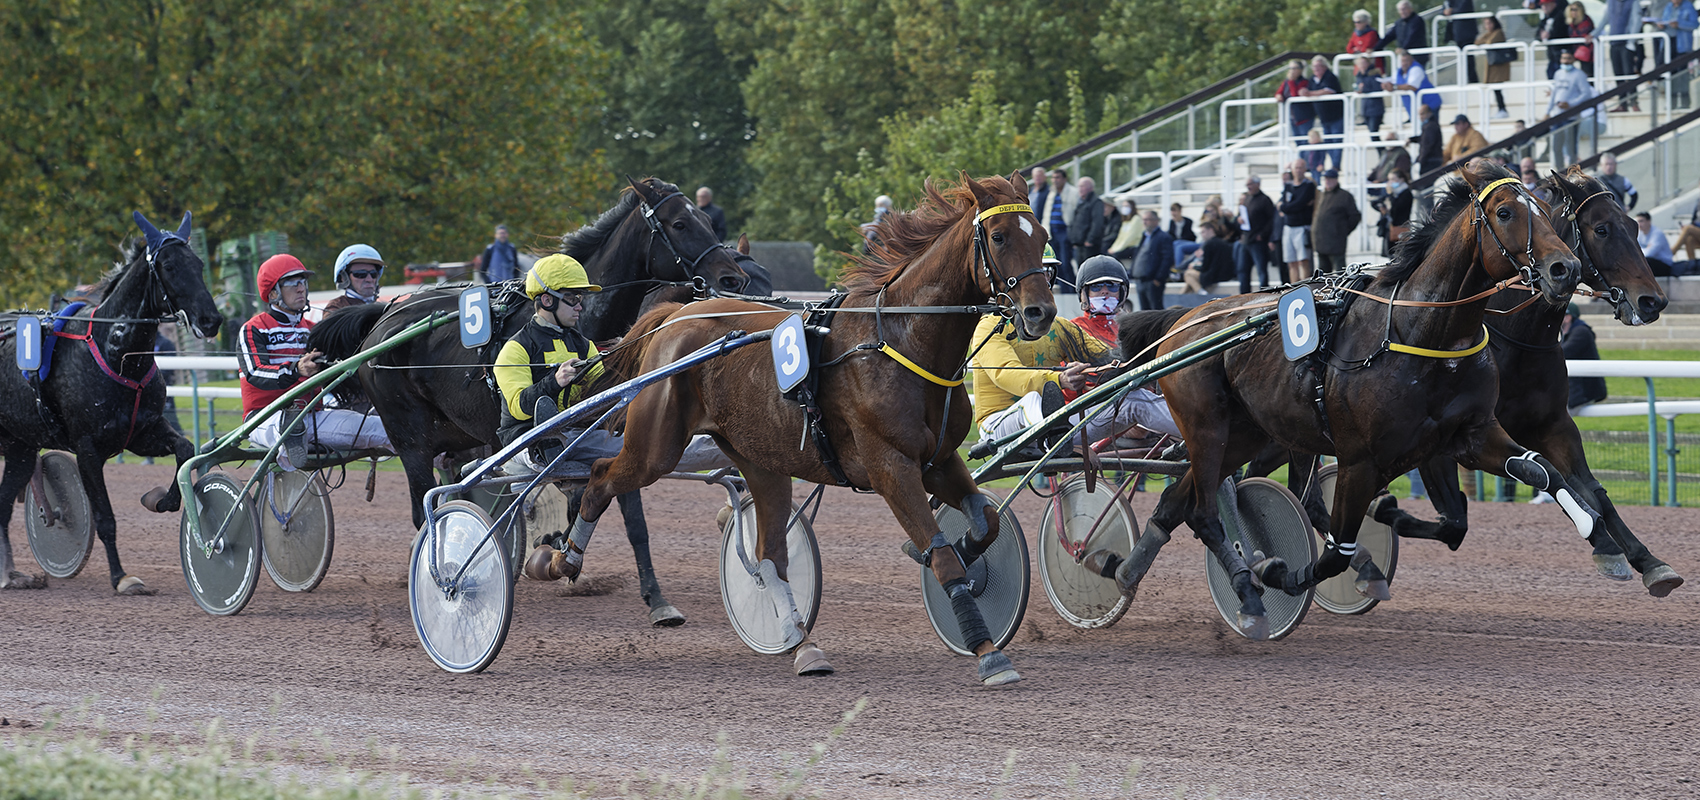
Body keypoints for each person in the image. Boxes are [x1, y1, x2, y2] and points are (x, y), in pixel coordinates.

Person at [241, 254, 391, 463]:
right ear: (273, 292)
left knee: (387, 428)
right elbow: (254, 373)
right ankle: (291, 435)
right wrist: (296, 370)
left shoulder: (314, 331)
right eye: (292, 283)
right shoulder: (254, 328)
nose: (301, 288)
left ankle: (445, 467)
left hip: (314, 416)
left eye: (303, 282)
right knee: (291, 425)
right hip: (264, 418)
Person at [970, 307, 1179, 451]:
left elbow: (1109, 360)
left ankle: (1199, 430)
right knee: (1033, 400)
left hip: (1056, 427)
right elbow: (1006, 374)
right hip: (998, 428)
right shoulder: (989, 327)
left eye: (1046, 274)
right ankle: (1059, 444)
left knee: (1134, 400)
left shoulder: (1060, 328)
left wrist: (1148, 362)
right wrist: (1059, 379)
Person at [494, 254, 618, 480]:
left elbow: (605, 393)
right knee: (549, 444)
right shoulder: (516, 348)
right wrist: (555, 381)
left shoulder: (585, 345)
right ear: (547, 300)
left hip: (575, 434)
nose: (580, 306)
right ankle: (552, 449)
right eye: (572, 298)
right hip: (524, 439)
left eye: (580, 297)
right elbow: (519, 408)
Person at [1544, 50, 1598, 167]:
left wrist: (1571, 104)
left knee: (1570, 148)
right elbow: (1555, 93)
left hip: (1571, 116)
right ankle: (1559, 172)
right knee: (1556, 147)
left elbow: (1586, 94)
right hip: (1557, 114)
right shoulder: (1558, 73)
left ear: (1573, 60)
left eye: (1568, 58)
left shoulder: (1579, 74)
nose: (1566, 61)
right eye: (1563, 58)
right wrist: (1547, 111)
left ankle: (1572, 173)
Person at [1033, 168, 1079, 286]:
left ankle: (1070, 289)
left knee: (1065, 262)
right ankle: (1061, 288)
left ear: (1064, 179)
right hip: (1052, 232)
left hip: (1065, 231)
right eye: (1053, 178)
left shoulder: (1073, 192)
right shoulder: (1052, 193)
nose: (1055, 180)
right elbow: (1047, 213)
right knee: (1054, 263)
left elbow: (1076, 213)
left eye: (1058, 177)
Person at [1311, 169, 1361, 275]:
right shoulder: (1322, 195)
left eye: (1330, 179)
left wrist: (1342, 230)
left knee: (1340, 272)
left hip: (1336, 242)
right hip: (1321, 241)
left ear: (1336, 180)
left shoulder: (1344, 196)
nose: (1327, 181)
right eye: (1326, 179)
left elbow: (1355, 216)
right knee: (1323, 274)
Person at [1561, 302, 1608, 413]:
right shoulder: (1570, 332)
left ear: (1568, 318)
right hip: (1575, 391)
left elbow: (1563, 353)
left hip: (1582, 393)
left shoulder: (1581, 332)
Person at [1071, 256, 1130, 344]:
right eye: (1096, 286)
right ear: (1084, 293)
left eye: (1112, 286)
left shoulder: (1133, 328)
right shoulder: (1072, 330)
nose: (1105, 291)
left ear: (1122, 292)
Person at [1303, 55, 1346, 170]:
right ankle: (1333, 164)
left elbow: (1328, 91)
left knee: (1336, 141)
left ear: (1324, 67)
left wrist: (1310, 93)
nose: (1316, 69)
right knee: (1328, 142)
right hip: (1324, 117)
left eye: (1318, 66)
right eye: (1314, 67)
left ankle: (1336, 165)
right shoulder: (1312, 79)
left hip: (1336, 116)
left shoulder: (1330, 77)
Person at [1236, 176, 1277, 292]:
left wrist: (1263, 234)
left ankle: (1264, 294)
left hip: (1258, 240)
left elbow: (1271, 219)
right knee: (1243, 269)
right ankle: (1244, 295)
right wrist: (1239, 220)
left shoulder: (1265, 200)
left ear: (1257, 184)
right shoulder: (1248, 199)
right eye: (1247, 185)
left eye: (1251, 184)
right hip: (1246, 239)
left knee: (1261, 270)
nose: (1248, 187)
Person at [1654, 0, 1697, 109]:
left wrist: (1679, 24)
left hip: (1682, 45)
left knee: (1682, 74)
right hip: (1669, 44)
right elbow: (1665, 20)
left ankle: (1684, 102)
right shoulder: (1669, 6)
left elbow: (1695, 24)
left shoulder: (1688, 6)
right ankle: (1671, 103)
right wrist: (1662, 25)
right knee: (1670, 74)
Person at [321, 244, 385, 316]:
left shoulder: (385, 308)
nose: (369, 279)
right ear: (344, 277)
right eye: (361, 274)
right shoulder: (336, 308)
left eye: (373, 274)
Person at [1279, 160, 1316, 282]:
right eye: (1296, 168)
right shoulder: (1288, 186)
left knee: (1303, 260)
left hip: (1302, 227)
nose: (1298, 170)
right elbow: (1288, 204)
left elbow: (1298, 204)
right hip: (1288, 227)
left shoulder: (1308, 186)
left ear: (1305, 169)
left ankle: (1306, 286)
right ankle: (1294, 287)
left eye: (1301, 168)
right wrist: (1287, 207)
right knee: (1291, 261)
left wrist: (1285, 207)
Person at [1382, 48, 1441, 124]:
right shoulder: (1398, 72)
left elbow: (1412, 87)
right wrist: (1386, 85)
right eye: (1402, 61)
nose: (1404, 63)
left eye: (1407, 60)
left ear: (1412, 60)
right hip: (1416, 108)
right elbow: (1392, 82)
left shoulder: (1416, 69)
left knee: (1430, 129)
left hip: (1429, 104)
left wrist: (1394, 87)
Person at [1130, 210, 1174, 310]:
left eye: (1148, 220)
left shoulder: (1163, 237)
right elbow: (1137, 255)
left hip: (1152, 281)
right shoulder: (1144, 236)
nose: (1145, 222)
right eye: (1144, 220)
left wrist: (1158, 278)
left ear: (1156, 221)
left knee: (1155, 310)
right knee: (1144, 312)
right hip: (1141, 280)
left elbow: (1167, 259)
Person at [1603, 0, 1644, 107]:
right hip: (1614, 43)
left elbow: (1637, 20)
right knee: (1618, 74)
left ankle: (1634, 101)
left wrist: (1631, 41)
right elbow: (1606, 18)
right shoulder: (1611, 2)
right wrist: (1593, 34)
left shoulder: (1633, 2)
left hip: (1626, 43)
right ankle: (1622, 103)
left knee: (1629, 73)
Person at [1181, 221, 1237, 295]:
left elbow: (1205, 266)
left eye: (1203, 232)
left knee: (1188, 274)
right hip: (1225, 274)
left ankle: (1200, 292)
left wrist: (1195, 266)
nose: (1202, 235)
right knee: (1189, 283)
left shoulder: (1209, 244)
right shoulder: (1223, 243)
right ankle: (1181, 295)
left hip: (1213, 276)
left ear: (1211, 230)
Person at [1477, 16, 1513, 119]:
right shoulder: (1489, 34)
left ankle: (1502, 109)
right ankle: (1500, 109)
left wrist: (1484, 40)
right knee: (1495, 90)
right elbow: (1478, 42)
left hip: (1499, 67)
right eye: (1486, 24)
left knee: (1497, 89)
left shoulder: (1498, 33)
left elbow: (1489, 42)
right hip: (1493, 66)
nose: (1487, 26)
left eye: (1489, 23)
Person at [1374, 167, 1414, 256]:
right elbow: (1376, 202)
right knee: (1390, 254)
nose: (1390, 182)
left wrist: (1390, 195)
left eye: (1393, 179)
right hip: (1389, 227)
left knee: (1399, 254)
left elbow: (1397, 208)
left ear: (1401, 179)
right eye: (1389, 179)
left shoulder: (1406, 193)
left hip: (1400, 227)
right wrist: (1382, 208)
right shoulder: (1392, 193)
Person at [1070, 177, 1108, 267]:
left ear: (1090, 188)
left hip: (1089, 245)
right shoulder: (1081, 202)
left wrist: (1090, 239)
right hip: (1080, 244)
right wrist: (1075, 240)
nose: (1080, 189)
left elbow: (1097, 222)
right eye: (1079, 186)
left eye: (1082, 186)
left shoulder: (1096, 202)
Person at [1443, 0, 1480, 83]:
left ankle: (1472, 81)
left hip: (1466, 33)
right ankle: (1464, 80)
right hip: (1456, 34)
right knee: (1462, 59)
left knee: (1469, 59)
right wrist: (1445, 12)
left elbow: (1464, 8)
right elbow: (1444, 9)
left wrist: (1451, 11)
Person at [1106, 197, 1145, 273]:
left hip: (1133, 247)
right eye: (1123, 206)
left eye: (1127, 206)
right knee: (1108, 254)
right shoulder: (1125, 221)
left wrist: (1117, 249)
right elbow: (1120, 237)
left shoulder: (1136, 219)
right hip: (1124, 247)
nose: (1124, 208)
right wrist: (1113, 248)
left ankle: (1122, 272)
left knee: (1115, 255)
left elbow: (1129, 237)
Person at [1277, 60, 1314, 139]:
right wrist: (1279, 96)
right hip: (1292, 117)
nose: (1292, 71)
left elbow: (1294, 95)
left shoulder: (1305, 82)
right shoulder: (1286, 82)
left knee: (1305, 141)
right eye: (1290, 68)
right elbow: (1279, 92)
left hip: (1304, 117)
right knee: (1297, 141)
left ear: (1300, 70)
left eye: (1294, 68)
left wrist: (1291, 81)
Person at [1536, 0, 1572, 80]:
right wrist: (1541, 36)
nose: (1544, 7)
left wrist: (1549, 35)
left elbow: (1560, 31)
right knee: (1551, 73)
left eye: (1546, 5)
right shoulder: (1546, 19)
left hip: (1561, 54)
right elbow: (1537, 34)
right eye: (1543, 5)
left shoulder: (1561, 17)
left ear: (1554, 4)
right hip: (1553, 55)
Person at [1386, 0, 1430, 65]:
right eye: (1400, 10)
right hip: (1405, 58)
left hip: (1418, 57)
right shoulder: (1399, 23)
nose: (1402, 12)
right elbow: (1389, 36)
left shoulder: (1417, 20)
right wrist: (1375, 48)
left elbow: (1412, 36)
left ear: (1410, 9)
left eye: (1404, 9)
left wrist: (1403, 48)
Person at [1354, 55, 1386, 133]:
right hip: (1365, 108)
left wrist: (1364, 89)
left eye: (1363, 63)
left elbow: (1377, 88)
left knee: (1373, 132)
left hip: (1375, 108)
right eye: (1360, 63)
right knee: (1372, 133)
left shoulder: (1375, 74)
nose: (1362, 65)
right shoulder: (1359, 76)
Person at [1411, 102, 1444, 175]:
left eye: (1423, 114)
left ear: (1429, 113)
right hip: (1432, 160)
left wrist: (1420, 160)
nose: (1421, 117)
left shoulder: (1430, 126)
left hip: (1431, 161)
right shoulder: (1430, 125)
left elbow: (1427, 145)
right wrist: (1411, 139)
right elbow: (1424, 139)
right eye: (1420, 114)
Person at [1567, 2, 1598, 76]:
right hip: (1576, 51)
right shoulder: (1571, 23)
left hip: (1587, 54)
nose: (1573, 12)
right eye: (1571, 9)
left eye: (1575, 9)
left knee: (1588, 75)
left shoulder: (1586, 21)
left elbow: (1585, 36)